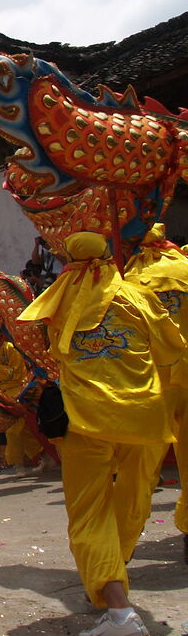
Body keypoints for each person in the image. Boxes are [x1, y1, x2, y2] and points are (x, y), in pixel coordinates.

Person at [19, 230, 183, 636]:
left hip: (86, 422)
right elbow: (170, 351)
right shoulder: (137, 295)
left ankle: (118, 607)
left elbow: (50, 348)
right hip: (144, 418)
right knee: (134, 499)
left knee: (90, 515)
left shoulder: (59, 299)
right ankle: (117, 567)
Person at [122, 223, 188, 564]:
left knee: (139, 472)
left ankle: (122, 546)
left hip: (153, 386)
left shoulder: (129, 282)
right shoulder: (186, 269)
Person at [0, 319, 40, 475]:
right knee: (21, 430)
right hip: (1, 395)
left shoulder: (9, 349)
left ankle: (18, 464)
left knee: (12, 431)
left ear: (0, 333)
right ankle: (43, 455)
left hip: (17, 393)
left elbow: (18, 373)